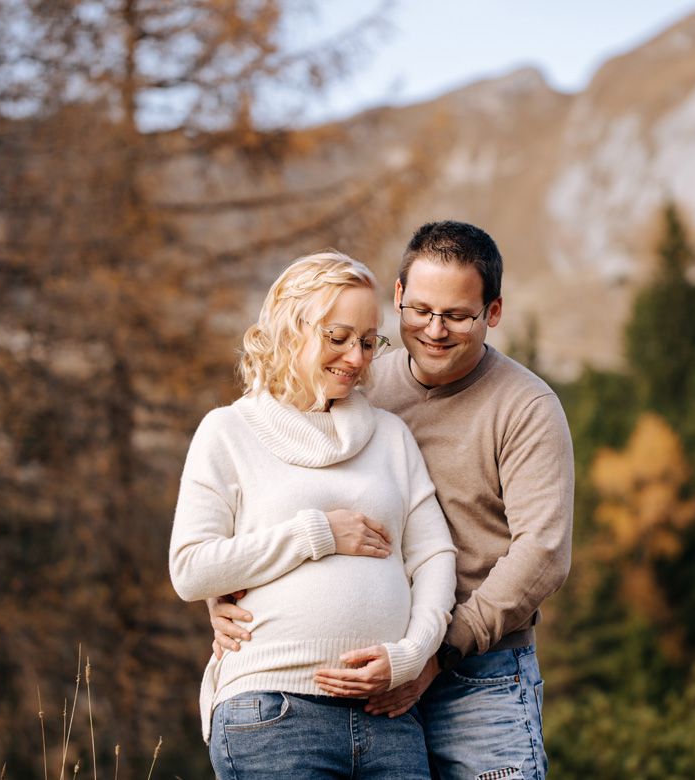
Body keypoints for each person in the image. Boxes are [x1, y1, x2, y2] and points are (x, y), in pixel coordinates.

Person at [210, 222, 575, 779]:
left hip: (478, 670)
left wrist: (433, 654)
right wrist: (226, 592)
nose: (434, 330)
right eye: (420, 309)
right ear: (398, 296)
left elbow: (543, 552)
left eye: (456, 316)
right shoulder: (357, 380)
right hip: (358, 682)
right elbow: (260, 477)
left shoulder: (525, 406)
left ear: (492, 313)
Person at [169, 251, 457, 779]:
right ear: (289, 329)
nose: (356, 357)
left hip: (388, 720)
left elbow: (434, 555)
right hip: (274, 713)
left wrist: (412, 655)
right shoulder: (228, 432)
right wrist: (315, 533)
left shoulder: (390, 436)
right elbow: (191, 568)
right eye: (338, 337)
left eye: (369, 342)